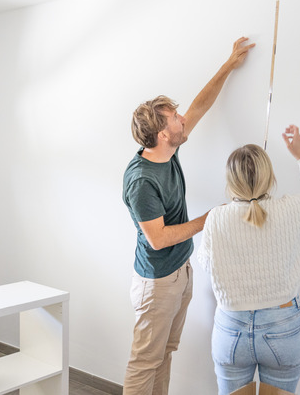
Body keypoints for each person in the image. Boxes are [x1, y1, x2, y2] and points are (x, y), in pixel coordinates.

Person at [122, 37, 255, 395]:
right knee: (144, 361)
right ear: (165, 133)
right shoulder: (142, 181)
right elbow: (159, 238)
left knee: (165, 354)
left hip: (180, 269)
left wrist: (229, 64)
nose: (184, 120)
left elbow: (200, 105)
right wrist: (210, 217)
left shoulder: (167, 150)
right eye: (176, 119)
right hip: (157, 282)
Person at [197, 125, 300, 395]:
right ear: (270, 178)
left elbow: (206, 263)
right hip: (283, 327)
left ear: (230, 183)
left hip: (231, 329)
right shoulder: (291, 209)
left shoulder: (216, 217)